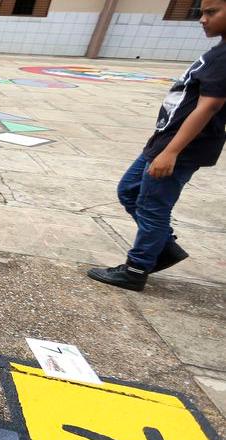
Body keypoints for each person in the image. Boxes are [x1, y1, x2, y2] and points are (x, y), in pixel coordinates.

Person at [88, 0, 225, 291]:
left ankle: (136, 269)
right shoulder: (218, 52)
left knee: (153, 207)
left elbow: (209, 106)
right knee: (129, 190)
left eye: (211, 12)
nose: (202, 19)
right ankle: (163, 247)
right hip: (163, 140)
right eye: (201, 11)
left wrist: (172, 151)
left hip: (180, 146)